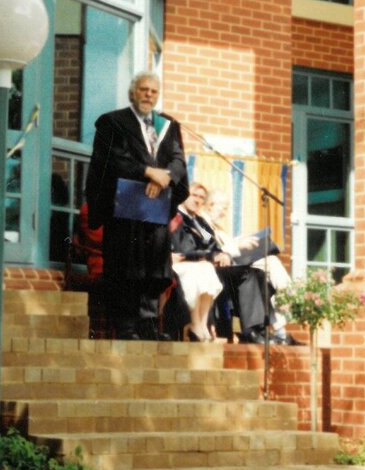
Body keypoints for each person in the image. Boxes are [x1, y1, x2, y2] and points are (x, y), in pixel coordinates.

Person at [84, 72, 188, 340]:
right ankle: (127, 326)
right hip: (125, 208)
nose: (148, 95)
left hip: (155, 207)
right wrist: (147, 172)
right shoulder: (113, 123)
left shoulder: (168, 126)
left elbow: (177, 160)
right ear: (133, 92)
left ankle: (148, 324)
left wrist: (165, 177)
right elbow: (112, 160)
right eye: (143, 90)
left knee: (155, 267)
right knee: (126, 267)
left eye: (153, 91)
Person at [203, 189, 294, 344]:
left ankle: (281, 327)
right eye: (223, 207)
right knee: (261, 268)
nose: (225, 212)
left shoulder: (220, 228)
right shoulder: (202, 223)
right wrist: (238, 246)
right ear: (211, 205)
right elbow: (210, 250)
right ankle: (291, 298)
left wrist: (242, 242)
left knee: (268, 263)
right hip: (220, 269)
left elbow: (226, 246)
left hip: (234, 262)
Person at [170, 183, 224, 341]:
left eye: (201, 197)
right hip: (179, 262)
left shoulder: (199, 223)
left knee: (206, 269)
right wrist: (203, 255)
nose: (198, 200)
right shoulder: (176, 217)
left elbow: (212, 244)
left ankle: (201, 324)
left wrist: (219, 255)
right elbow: (181, 247)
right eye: (194, 195)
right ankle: (195, 324)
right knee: (201, 269)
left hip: (199, 264)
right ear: (185, 196)